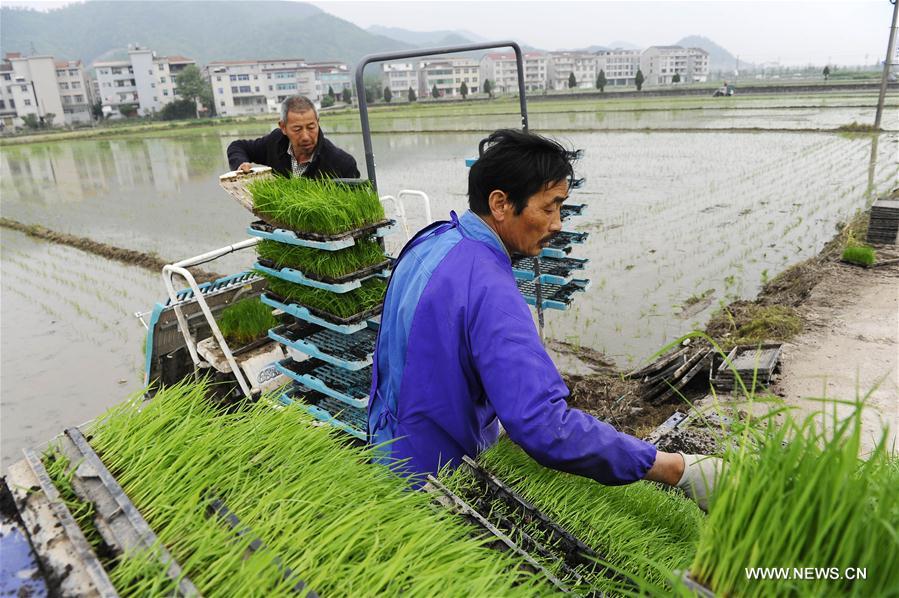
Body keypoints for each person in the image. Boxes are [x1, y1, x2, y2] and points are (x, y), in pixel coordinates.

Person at [368, 129, 722, 511]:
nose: (557, 224)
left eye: (561, 208)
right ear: (501, 204)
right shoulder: (490, 289)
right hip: (434, 485)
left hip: (387, 452)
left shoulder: (432, 240)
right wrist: (673, 468)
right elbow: (543, 425)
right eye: (549, 207)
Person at [227, 95, 359, 179]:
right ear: (283, 127)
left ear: (318, 122)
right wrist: (240, 164)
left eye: (311, 127)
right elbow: (238, 146)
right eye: (297, 129)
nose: (306, 136)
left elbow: (357, 208)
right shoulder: (275, 142)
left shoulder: (343, 163)